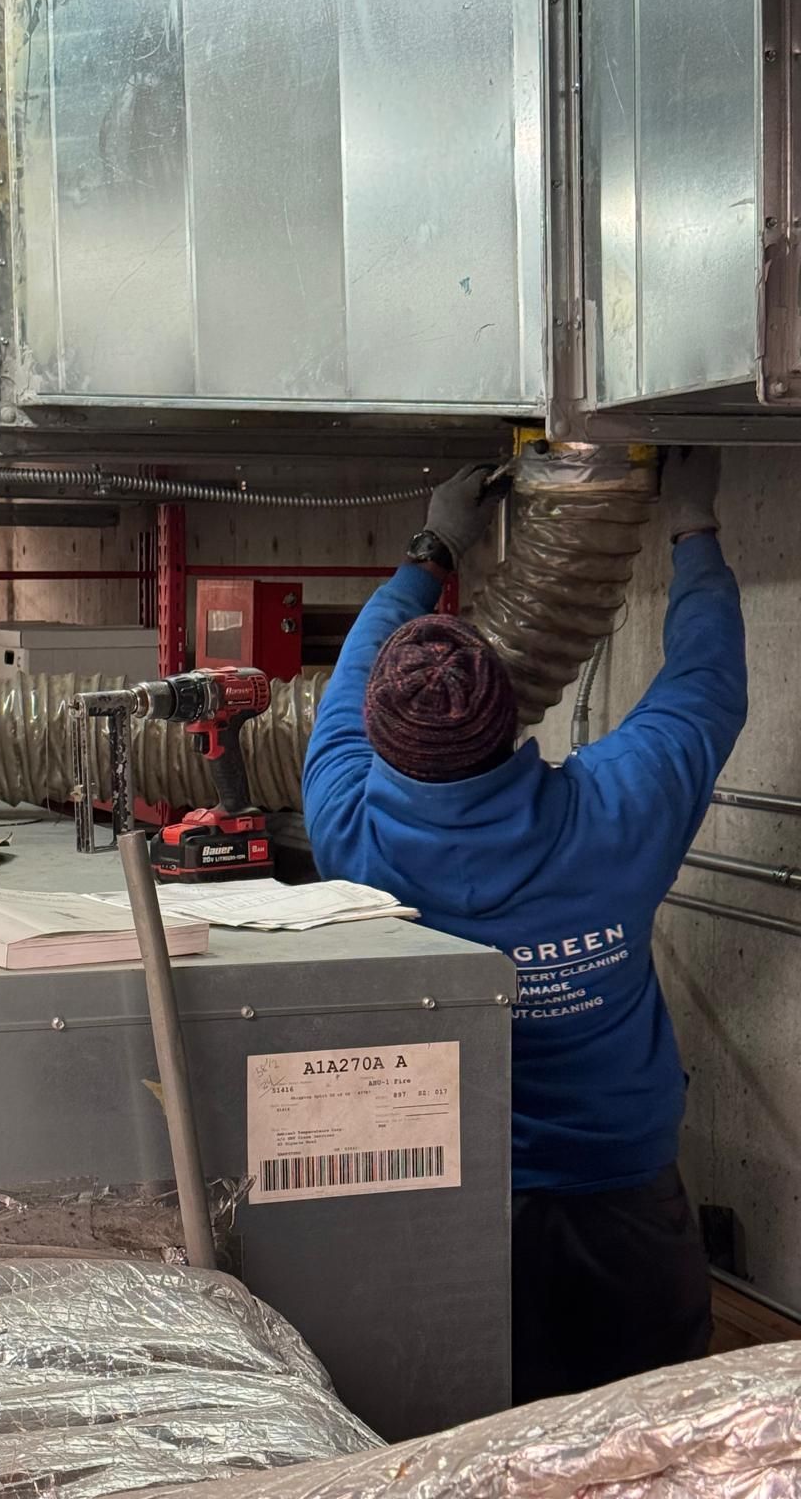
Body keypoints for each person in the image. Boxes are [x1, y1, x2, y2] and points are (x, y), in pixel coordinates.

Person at [302, 449, 747, 1405]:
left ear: (379, 740)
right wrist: (694, 527)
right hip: (621, 1191)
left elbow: (346, 686)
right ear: (513, 718)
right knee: (654, 1427)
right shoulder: (618, 811)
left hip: (453, 1195)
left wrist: (431, 547)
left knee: (478, 1427)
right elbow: (706, 682)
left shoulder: (348, 826)